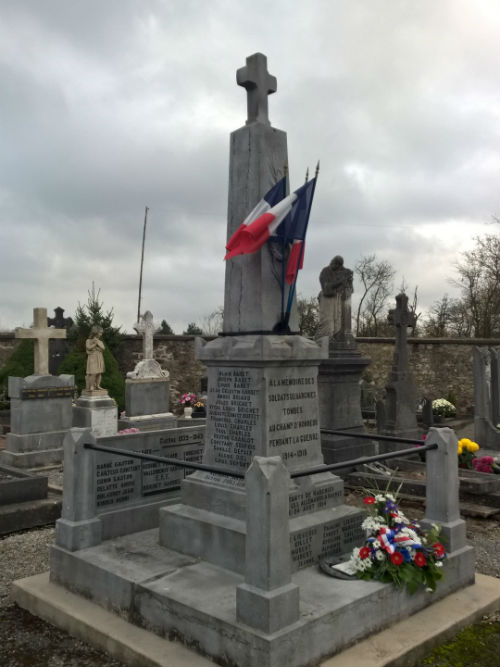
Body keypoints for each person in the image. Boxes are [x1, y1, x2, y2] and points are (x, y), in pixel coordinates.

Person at [318, 255, 353, 337]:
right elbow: (326, 287)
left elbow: (350, 289)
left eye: (339, 266)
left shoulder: (340, 272)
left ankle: (333, 337)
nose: (337, 267)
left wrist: (349, 281)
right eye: (336, 264)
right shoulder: (325, 271)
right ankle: (326, 338)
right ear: (333, 262)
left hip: (337, 298)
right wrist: (341, 281)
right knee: (327, 321)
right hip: (327, 299)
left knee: (337, 321)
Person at [85, 325, 105, 391]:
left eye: (101, 333)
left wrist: (97, 343)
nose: (101, 334)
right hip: (92, 358)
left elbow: (103, 348)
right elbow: (88, 347)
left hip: (99, 358)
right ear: (95, 332)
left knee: (99, 373)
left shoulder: (100, 341)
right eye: (100, 332)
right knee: (93, 372)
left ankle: (98, 385)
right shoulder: (88, 340)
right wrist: (94, 344)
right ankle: (91, 386)